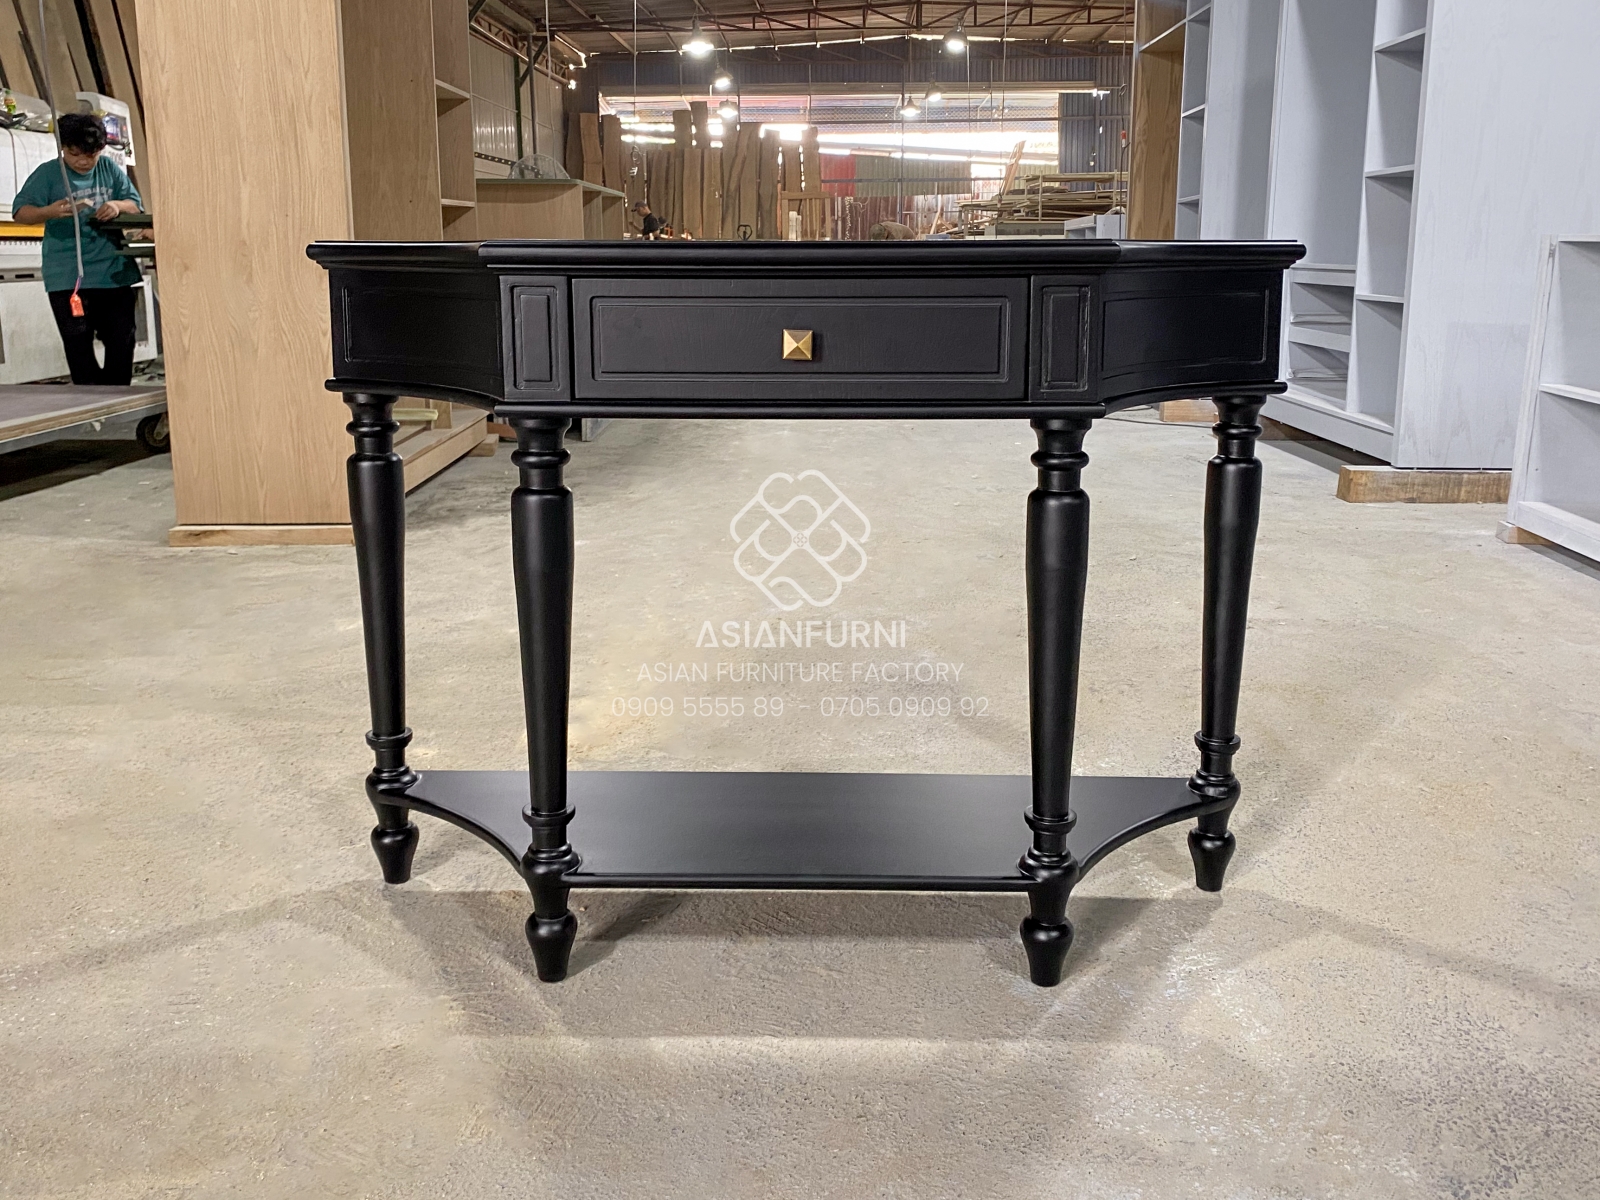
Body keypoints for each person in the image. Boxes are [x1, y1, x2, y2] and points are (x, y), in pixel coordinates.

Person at [12, 112, 144, 385]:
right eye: (75, 154)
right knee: (78, 349)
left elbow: (134, 204)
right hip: (68, 277)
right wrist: (49, 211)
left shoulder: (107, 168)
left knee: (122, 343)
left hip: (114, 273)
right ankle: (91, 403)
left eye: (91, 154)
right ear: (62, 148)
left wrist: (116, 206)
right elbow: (20, 212)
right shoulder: (49, 174)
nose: (84, 161)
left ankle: (117, 401)